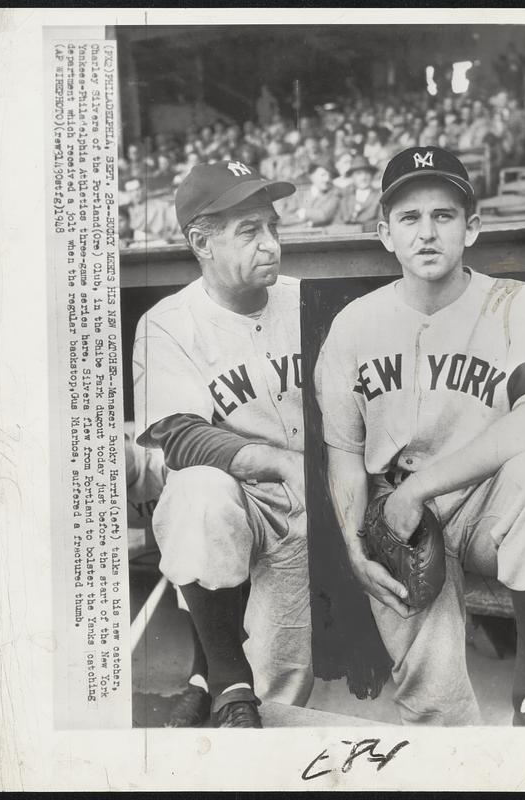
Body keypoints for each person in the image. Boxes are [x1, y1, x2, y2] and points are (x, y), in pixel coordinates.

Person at [315, 146, 525, 727]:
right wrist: (356, 549)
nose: (427, 233)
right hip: (399, 517)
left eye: (444, 215)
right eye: (409, 218)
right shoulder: (353, 325)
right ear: (385, 233)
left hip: (489, 503)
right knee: (439, 716)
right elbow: (344, 455)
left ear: (472, 227)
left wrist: (421, 488)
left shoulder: (516, 304)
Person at [133, 160, 313, 728]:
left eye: (272, 227)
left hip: (317, 502)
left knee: (281, 693)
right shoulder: (167, 323)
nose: (271, 245)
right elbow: (181, 436)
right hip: (242, 497)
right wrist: (280, 463)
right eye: (249, 231)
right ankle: (226, 681)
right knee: (198, 495)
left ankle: (209, 677)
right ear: (201, 242)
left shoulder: (309, 300)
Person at [278, 163, 341, 228]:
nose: (327, 179)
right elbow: (285, 218)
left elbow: (324, 216)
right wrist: (307, 223)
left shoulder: (334, 194)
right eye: (323, 175)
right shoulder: (299, 194)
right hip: (296, 233)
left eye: (329, 176)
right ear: (312, 176)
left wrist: (304, 212)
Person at [335, 155, 380, 229]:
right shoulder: (346, 197)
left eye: (367, 173)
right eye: (359, 173)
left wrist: (359, 228)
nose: (363, 177)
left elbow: (381, 221)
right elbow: (337, 220)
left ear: (372, 176)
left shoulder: (378, 197)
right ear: (352, 177)